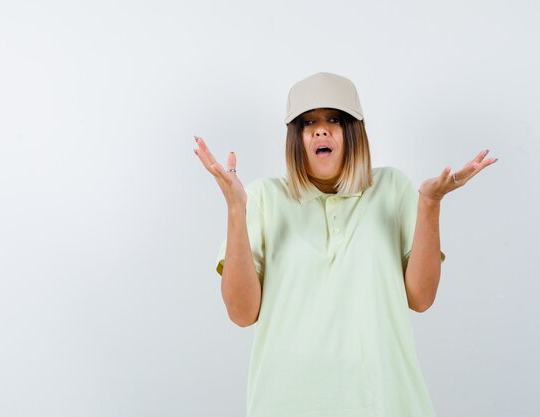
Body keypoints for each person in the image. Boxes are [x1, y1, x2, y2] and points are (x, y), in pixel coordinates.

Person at [194, 72, 497, 417]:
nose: (321, 130)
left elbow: (421, 298)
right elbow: (241, 313)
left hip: (384, 403)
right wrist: (236, 209)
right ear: (295, 138)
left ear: (355, 132)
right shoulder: (263, 198)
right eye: (309, 122)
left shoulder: (391, 188)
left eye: (334, 120)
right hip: (286, 403)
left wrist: (430, 203)